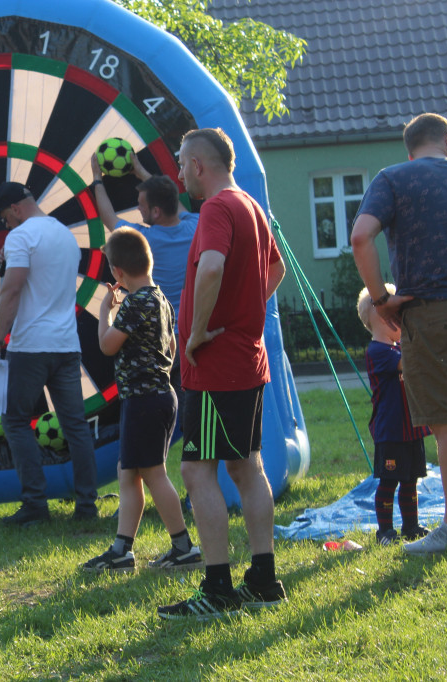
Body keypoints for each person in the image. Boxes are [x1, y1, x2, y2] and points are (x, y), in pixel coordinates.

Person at [158, 128, 287, 620]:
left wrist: (201, 332)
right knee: (246, 467)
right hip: (247, 359)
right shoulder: (250, 205)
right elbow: (275, 270)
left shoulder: (215, 208)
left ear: (197, 165)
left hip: (215, 365)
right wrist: (246, 312)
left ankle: (217, 589)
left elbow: (211, 268)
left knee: (196, 470)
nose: (177, 173)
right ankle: (263, 579)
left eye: (180, 163)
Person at [350, 113, 447, 553]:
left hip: (429, 313)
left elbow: (361, 237)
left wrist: (379, 297)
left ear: (410, 150)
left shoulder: (394, 178)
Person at [81, 227, 201, 574]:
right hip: (158, 397)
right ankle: (122, 550)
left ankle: (183, 546)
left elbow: (106, 345)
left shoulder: (135, 303)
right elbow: (173, 348)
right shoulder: (160, 298)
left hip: (145, 401)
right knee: (128, 474)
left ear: (117, 272)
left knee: (151, 474)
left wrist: (106, 310)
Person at [0, 181, 99, 526]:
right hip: (67, 344)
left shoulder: (20, 238)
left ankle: (35, 504)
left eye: (5, 217)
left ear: (16, 208)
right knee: (76, 427)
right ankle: (87, 507)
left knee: (15, 421)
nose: (5, 225)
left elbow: (12, 291)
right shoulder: (65, 235)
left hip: (30, 346)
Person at [92, 152, 198, 437]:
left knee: (157, 425)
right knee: (190, 419)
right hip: (189, 338)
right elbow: (169, 200)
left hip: (158, 344)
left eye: (141, 206)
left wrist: (97, 179)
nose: (138, 211)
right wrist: (141, 172)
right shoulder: (196, 226)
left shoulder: (146, 239)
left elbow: (109, 218)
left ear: (155, 212)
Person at [357, 284, 430, 545]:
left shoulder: (396, 348)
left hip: (411, 428)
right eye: (400, 316)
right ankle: (385, 531)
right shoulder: (378, 352)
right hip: (391, 431)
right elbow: (408, 363)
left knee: (410, 481)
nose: (404, 322)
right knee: (389, 482)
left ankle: (411, 526)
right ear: (383, 318)